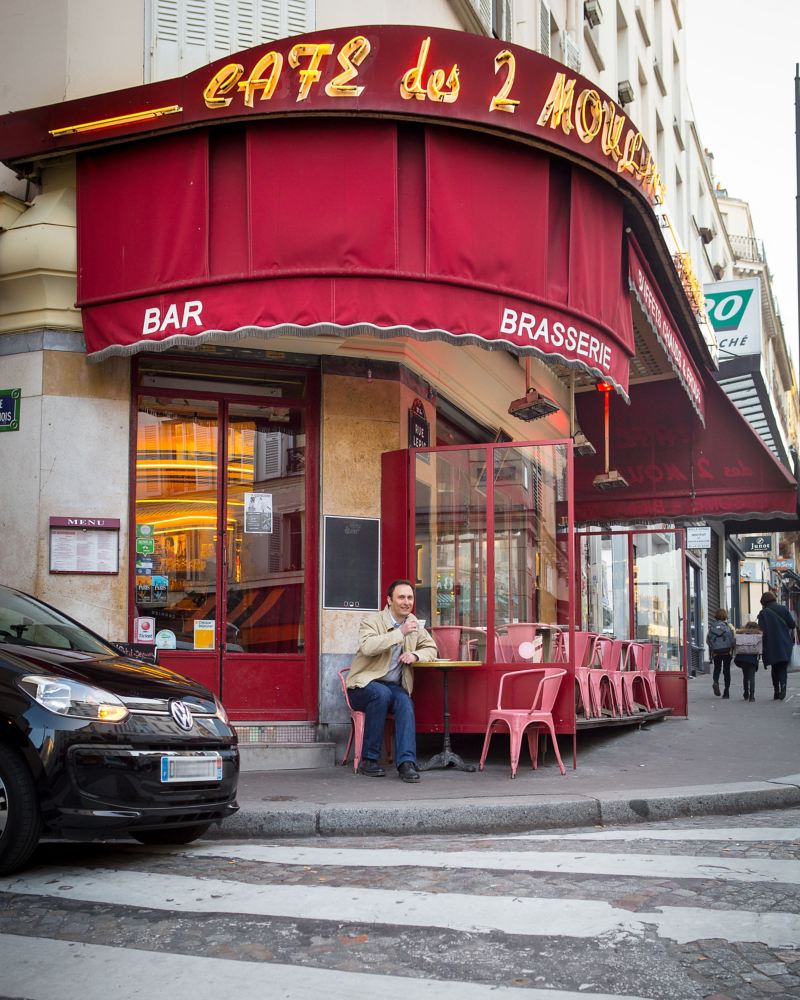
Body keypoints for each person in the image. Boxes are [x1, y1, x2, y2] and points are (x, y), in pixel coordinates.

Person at [346, 579, 438, 782]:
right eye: (401, 597)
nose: (406, 602)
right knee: (381, 694)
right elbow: (368, 647)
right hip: (362, 685)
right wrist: (399, 633)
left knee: (405, 702)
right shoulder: (372, 621)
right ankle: (369, 761)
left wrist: (415, 655)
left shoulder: (413, 622)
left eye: (410, 597)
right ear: (389, 600)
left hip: (392, 686)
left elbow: (431, 648)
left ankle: (406, 763)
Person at [756, 591, 796, 701]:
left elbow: (761, 630)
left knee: (775, 668)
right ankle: (783, 686)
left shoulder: (763, 613)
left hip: (771, 644)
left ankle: (776, 691)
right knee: (783, 667)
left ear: (763, 602)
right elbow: (792, 624)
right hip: (784, 643)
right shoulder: (783, 609)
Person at [706, 608, 735, 699]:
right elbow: (734, 638)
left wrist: (713, 648)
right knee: (726, 670)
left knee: (717, 668)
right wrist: (732, 649)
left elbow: (707, 640)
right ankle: (726, 692)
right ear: (725, 616)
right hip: (727, 652)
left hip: (716, 652)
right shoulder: (729, 626)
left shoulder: (712, 626)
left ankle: (715, 681)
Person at [733, 621, 762, 702]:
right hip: (752, 659)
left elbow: (735, 644)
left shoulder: (741, 634)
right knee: (752, 677)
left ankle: (746, 693)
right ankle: (752, 696)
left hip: (743, 658)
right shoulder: (758, 635)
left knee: (745, 676)